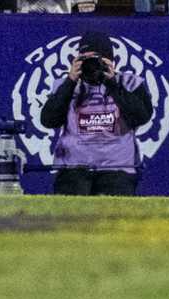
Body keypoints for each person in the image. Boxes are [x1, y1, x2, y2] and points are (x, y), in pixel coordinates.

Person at [37, 31, 153, 196]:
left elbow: (142, 117)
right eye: (85, 59)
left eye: (97, 60)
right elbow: (48, 121)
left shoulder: (130, 83)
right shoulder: (65, 85)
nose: (91, 64)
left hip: (117, 169)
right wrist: (70, 82)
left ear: (110, 61)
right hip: (73, 169)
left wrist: (112, 84)